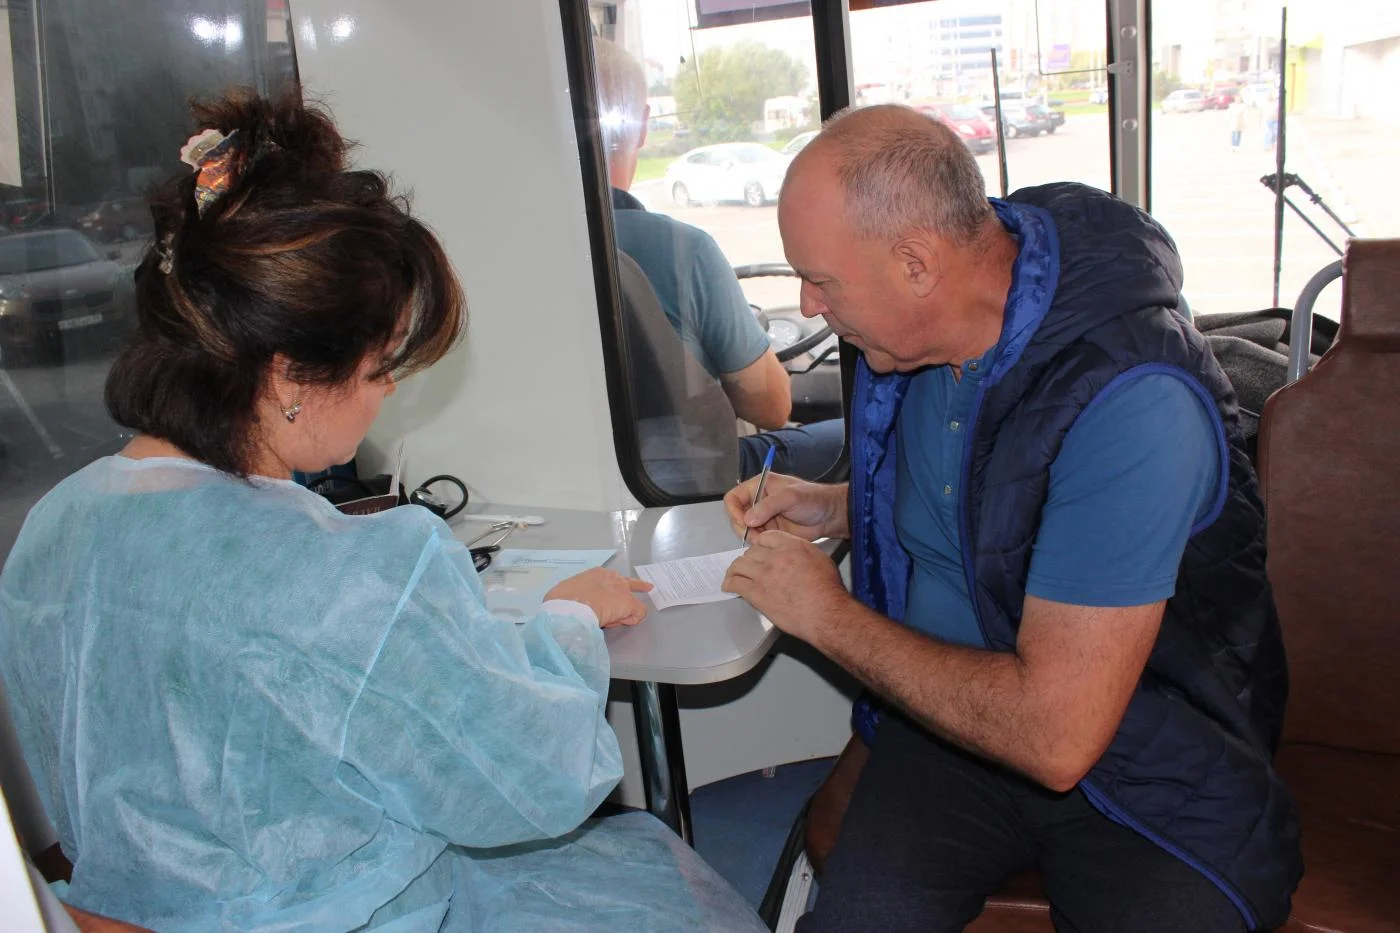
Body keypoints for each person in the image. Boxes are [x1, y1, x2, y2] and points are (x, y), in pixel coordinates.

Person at [0, 92, 766, 933]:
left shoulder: (54, 527)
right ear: (289, 377)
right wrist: (565, 625)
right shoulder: (355, 574)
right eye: (377, 368)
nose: (389, 390)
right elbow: (532, 781)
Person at [722, 104, 1300, 932]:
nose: (810, 306)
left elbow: (1056, 737)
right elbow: (990, 509)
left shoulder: (1132, 404)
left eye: (822, 280)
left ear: (916, 264)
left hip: (1140, 756)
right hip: (951, 729)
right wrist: (833, 506)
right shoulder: (916, 339)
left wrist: (826, 615)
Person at [593, 38, 843, 482]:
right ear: (642, 125)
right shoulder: (683, 250)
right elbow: (771, 407)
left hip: (599, 471)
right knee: (854, 440)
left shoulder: (536, 248)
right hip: (686, 477)